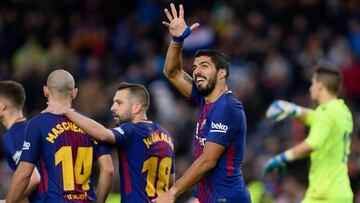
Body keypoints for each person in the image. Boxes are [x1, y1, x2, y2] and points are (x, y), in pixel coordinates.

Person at [155, 3, 251, 203]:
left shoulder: (227, 107)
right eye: (195, 67)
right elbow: (172, 72)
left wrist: (172, 193)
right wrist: (176, 41)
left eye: (204, 66)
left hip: (227, 198)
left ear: (222, 73)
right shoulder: (204, 98)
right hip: (208, 196)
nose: (197, 71)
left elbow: (208, 161)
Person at [43, 82, 175, 202]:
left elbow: (103, 135)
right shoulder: (166, 135)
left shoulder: (132, 130)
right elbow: (170, 181)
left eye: (119, 103)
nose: (112, 107)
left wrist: (67, 111)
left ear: (136, 108)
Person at [6, 70, 114, 203]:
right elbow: (108, 170)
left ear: (45, 91)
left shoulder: (37, 124)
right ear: (74, 93)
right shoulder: (93, 127)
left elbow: (24, 173)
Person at [264, 63, 353, 202]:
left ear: (320, 85)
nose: (311, 88)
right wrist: (292, 109)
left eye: (312, 84)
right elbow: (314, 117)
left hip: (326, 194)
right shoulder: (342, 110)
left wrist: (282, 158)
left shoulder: (327, 113)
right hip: (335, 190)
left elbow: (312, 144)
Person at [0, 81, 44, 202]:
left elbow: (33, 178)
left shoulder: (15, 134)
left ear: (3, 104)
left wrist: (8, 201)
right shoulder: (30, 128)